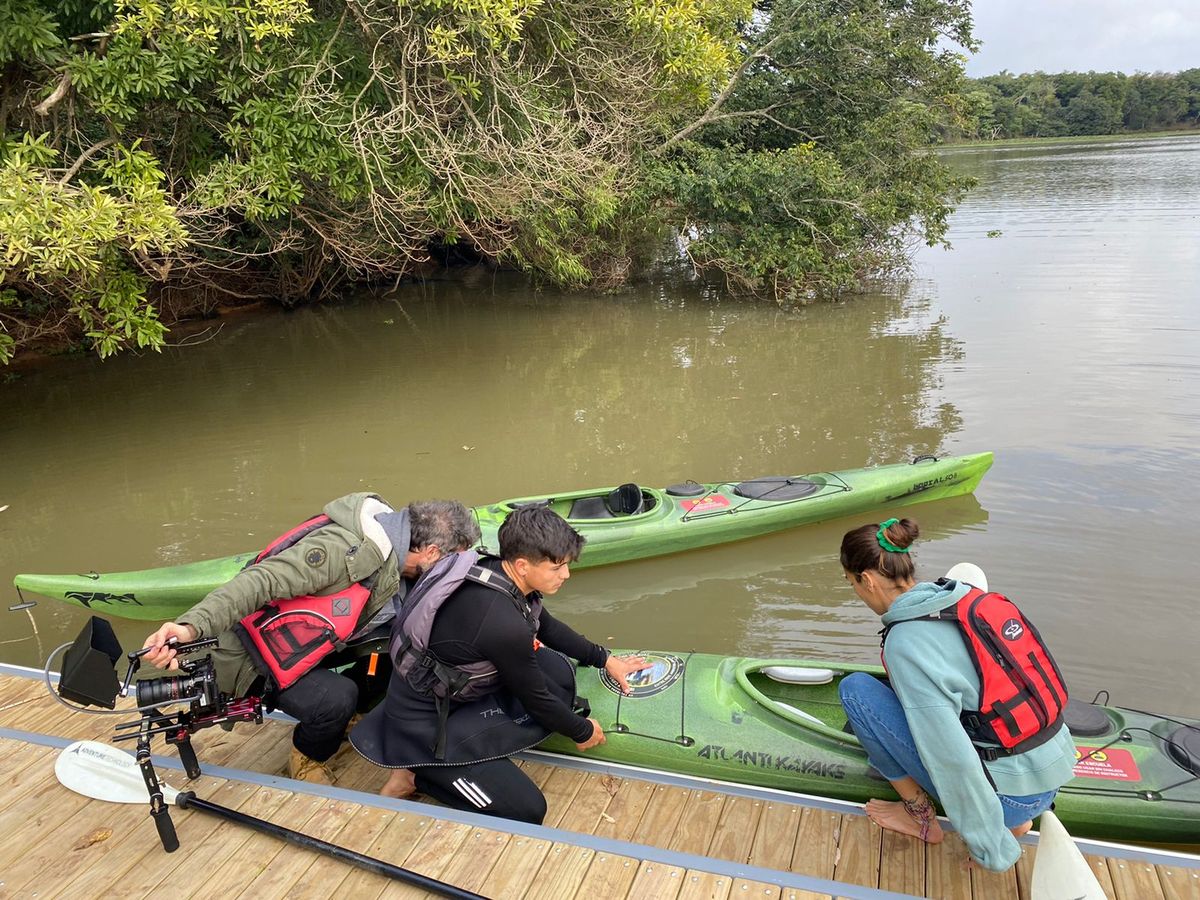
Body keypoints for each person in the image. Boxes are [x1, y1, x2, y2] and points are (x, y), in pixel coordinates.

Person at [141, 493, 480, 784]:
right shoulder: (340, 552)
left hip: (309, 647)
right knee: (336, 698)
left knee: (398, 656)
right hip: (254, 658)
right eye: (452, 560)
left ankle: (346, 719)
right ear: (432, 552)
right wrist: (189, 627)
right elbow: (257, 582)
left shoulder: (397, 558)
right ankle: (307, 755)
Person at [350, 504, 649, 823]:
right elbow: (538, 701)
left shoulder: (492, 567)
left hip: (447, 693)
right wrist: (582, 730)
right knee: (527, 809)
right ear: (522, 565)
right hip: (423, 726)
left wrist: (605, 659)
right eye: (557, 567)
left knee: (558, 675)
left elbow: (545, 625)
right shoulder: (500, 624)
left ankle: (431, 761)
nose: (566, 574)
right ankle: (416, 774)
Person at [836, 517, 1077, 872]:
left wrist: (992, 848)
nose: (856, 591)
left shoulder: (906, 643)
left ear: (868, 580)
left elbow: (950, 756)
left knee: (855, 690)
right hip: (1051, 775)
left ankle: (917, 816)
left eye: (851, 582)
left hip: (1007, 798)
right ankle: (1019, 816)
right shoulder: (961, 600)